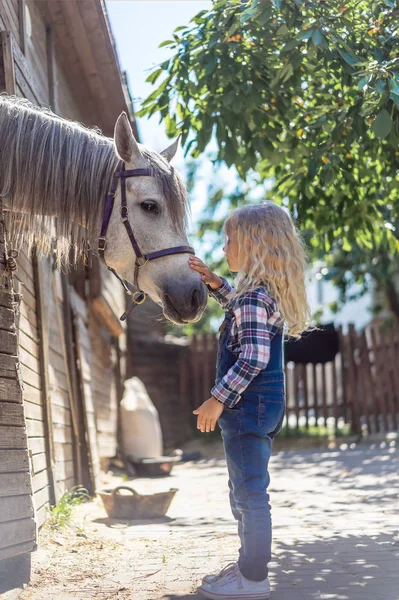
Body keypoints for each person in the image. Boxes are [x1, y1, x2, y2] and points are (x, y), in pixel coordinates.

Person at [188, 203, 311, 600]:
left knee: (250, 493)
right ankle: (246, 566)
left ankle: (253, 578)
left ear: (255, 244)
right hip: (262, 404)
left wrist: (216, 399)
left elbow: (254, 356)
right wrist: (214, 283)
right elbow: (239, 310)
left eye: (230, 241)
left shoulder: (254, 298)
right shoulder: (256, 294)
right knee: (243, 489)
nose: (224, 248)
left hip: (246, 404)